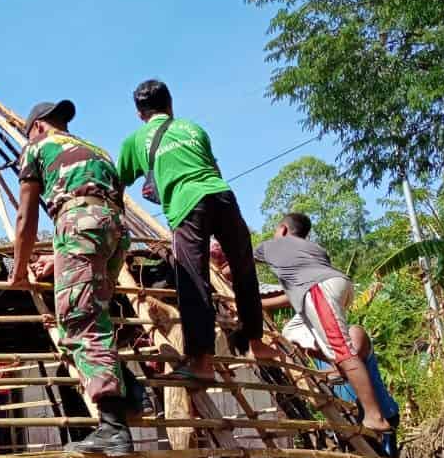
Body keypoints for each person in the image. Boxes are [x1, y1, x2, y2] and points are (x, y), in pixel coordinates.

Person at [9, 98, 135, 457]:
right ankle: (133, 397)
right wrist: (60, 256)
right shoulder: (96, 150)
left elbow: (25, 219)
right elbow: (103, 211)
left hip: (79, 224)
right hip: (114, 231)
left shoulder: (36, 148)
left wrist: (19, 270)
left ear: (36, 127)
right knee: (100, 317)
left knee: (80, 322)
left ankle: (113, 429)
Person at [117, 79, 265, 379]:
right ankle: (257, 342)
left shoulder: (135, 140)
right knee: (243, 269)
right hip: (222, 196)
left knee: (193, 281)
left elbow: (117, 184)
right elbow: (212, 169)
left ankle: (201, 364)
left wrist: (117, 229)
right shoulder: (194, 128)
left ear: (139, 113)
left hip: (187, 206)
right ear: (170, 105)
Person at [254, 212, 393, 434]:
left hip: (321, 291)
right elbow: (296, 295)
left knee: (342, 349)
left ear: (282, 229)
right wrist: (262, 306)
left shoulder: (273, 245)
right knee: (292, 333)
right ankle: (338, 367)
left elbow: (239, 259)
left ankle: (374, 416)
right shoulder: (313, 250)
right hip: (333, 288)